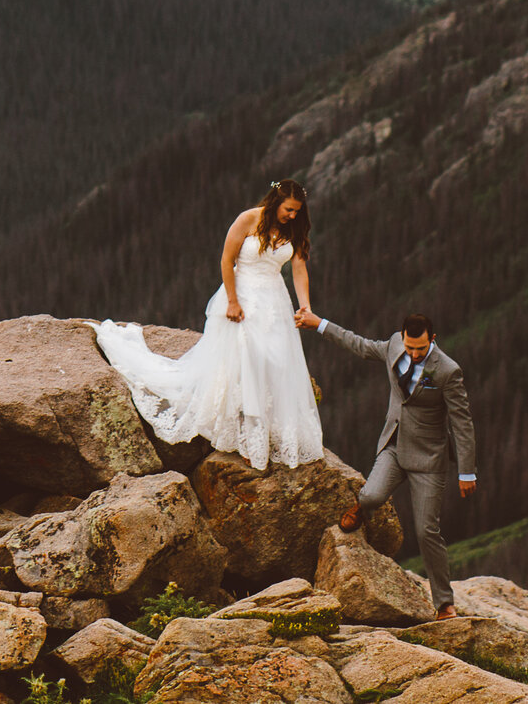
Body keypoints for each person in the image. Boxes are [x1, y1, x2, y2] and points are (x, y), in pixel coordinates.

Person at [93, 180, 327, 471]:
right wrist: (232, 300)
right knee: (247, 358)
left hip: (274, 300)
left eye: (297, 211)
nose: (292, 216)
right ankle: (247, 437)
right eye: (289, 209)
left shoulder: (295, 229)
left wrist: (304, 306)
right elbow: (227, 260)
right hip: (242, 293)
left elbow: (300, 268)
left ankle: (267, 427)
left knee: (274, 362)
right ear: (276, 201)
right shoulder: (248, 219)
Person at [296, 307, 477, 618]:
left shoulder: (448, 371)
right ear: (403, 338)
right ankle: (361, 509)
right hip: (394, 445)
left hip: (429, 459)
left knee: (426, 531)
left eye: (421, 348)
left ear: (432, 340)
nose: (415, 353)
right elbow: (361, 345)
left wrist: (467, 471)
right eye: (410, 347)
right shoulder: (394, 344)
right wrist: (320, 324)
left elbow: (463, 423)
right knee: (371, 495)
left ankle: (444, 603)